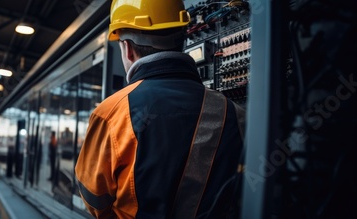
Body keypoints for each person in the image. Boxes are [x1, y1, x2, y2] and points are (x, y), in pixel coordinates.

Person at [74, 1, 246, 218]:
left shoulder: (111, 113)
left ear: (127, 48)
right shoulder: (234, 113)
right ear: (181, 39)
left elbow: (93, 197)